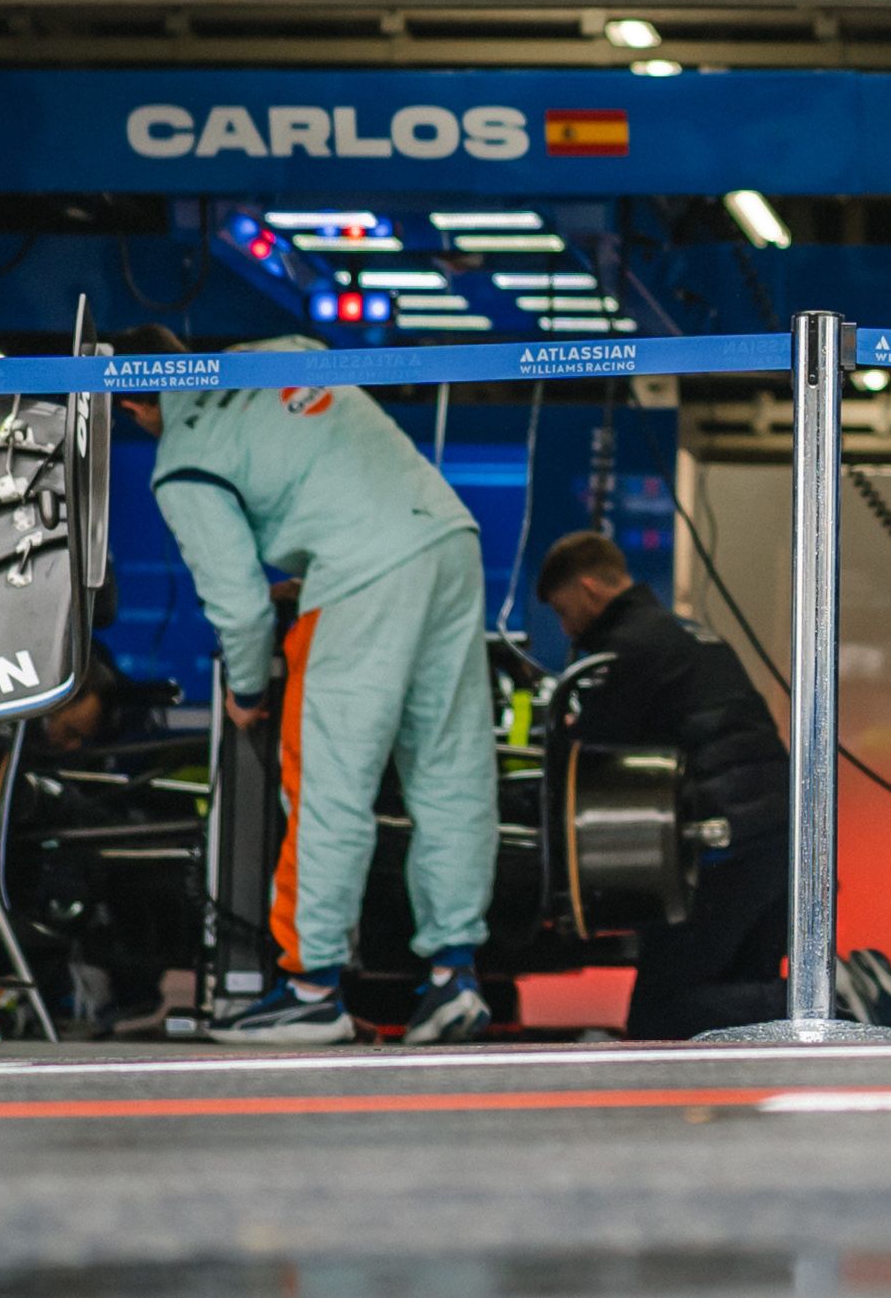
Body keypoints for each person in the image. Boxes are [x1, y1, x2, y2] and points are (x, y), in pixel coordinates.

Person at [147, 346, 496, 1046]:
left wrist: (247, 686)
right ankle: (453, 980)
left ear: (131, 403)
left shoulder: (183, 456)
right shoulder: (284, 354)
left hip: (363, 575)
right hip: (448, 540)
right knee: (451, 773)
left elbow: (239, 608)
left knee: (328, 787)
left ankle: (310, 991)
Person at [535, 529, 793, 1039]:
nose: (566, 629)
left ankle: (827, 998)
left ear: (589, 590)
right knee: (739, 1015)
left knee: (660, 1015)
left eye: (564, 612)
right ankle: (811, 999)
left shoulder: (627, 650)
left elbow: (588, 752)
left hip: (722, 847)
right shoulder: (686, 633)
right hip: (777, 837)